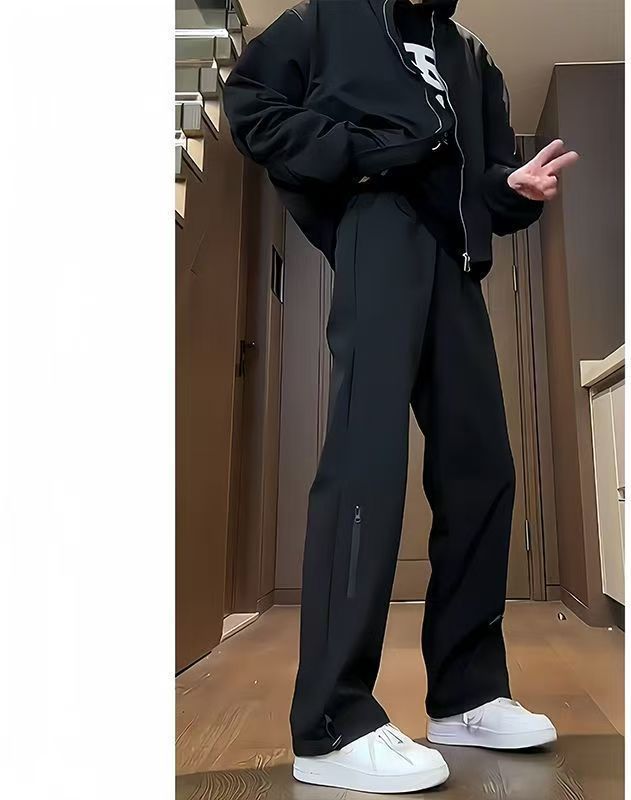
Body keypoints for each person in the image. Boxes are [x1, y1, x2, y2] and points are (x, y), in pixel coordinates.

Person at [223, 0, 579, 792]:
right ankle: (331, 722)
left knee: (481, 468)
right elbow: (251, 104)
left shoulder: (473, 58)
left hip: (455, 259)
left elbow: (484, 184)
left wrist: (515, 188)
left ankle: (467, 693)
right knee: (368, 463)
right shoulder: (324, 20)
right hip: (377, 225)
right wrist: (359, 153)